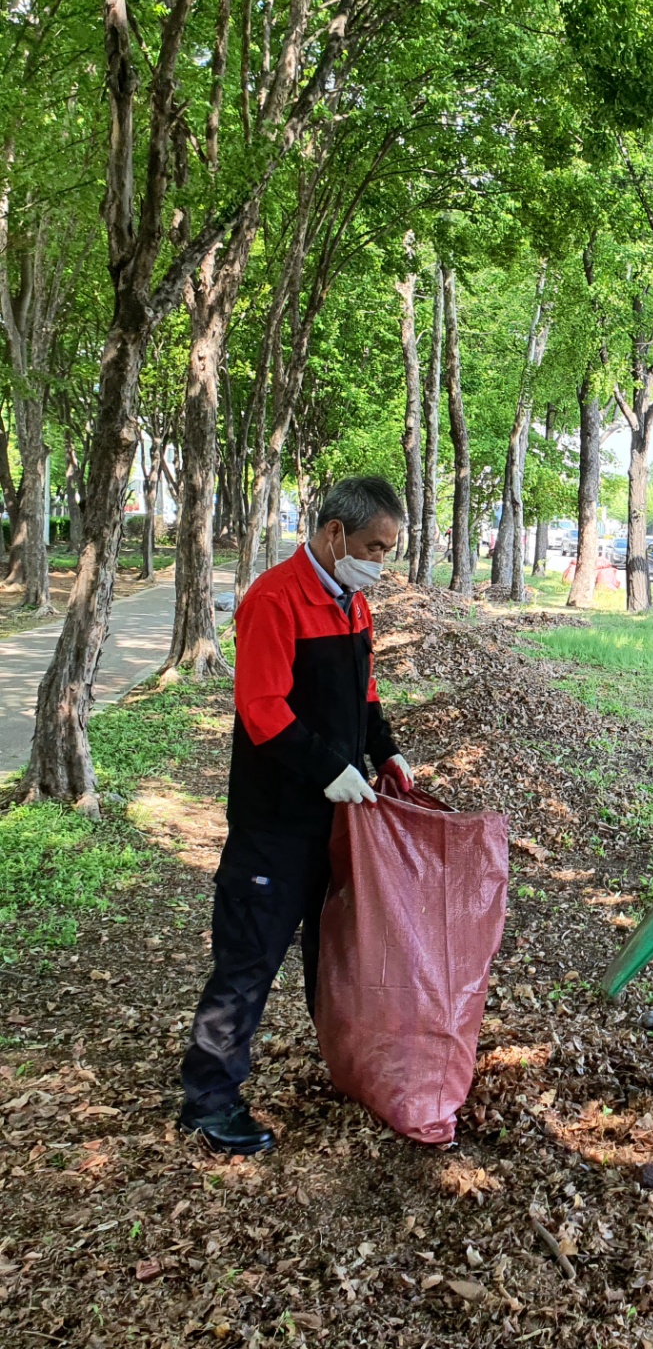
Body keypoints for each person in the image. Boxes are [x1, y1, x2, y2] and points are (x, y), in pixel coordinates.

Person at [178, 477, 413, 1155]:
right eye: (374, 546)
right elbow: (261, 708)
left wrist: (385, 751)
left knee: (335, 955)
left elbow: (364, 690)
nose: (381, 561)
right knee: (248, 961)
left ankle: (348, 1066)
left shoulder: (353, 604)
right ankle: (209, 1101)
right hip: (276, 825)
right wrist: (327, 769)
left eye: (389, 549)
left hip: (339, 824)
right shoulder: (275, 599)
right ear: (335, 534)